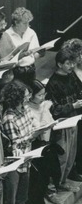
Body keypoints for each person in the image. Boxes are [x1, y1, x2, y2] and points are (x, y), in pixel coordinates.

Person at [1, 80, 47, 204]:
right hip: (14, 164)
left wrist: (39, 126)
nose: (28, 98)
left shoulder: (25, 108)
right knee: (12, 198)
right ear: (17, 97)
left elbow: (32, 119)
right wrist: (33, 135)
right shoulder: (9, 118)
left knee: (23, 196)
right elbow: (15, 144)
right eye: (25, 96)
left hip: (27, 159)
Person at [45, 47, 82, 191]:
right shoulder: (53, 84)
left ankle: (63, 181)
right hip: (62, 125)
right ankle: (55, 186)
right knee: (63, 157)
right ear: (60, 64)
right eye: (68, 63)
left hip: (74, 120)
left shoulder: (71, 76)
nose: (72, 66)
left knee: (72, 154)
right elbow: (54, 109)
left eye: (72, 63)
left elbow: (78, 90)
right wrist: (73, 105)